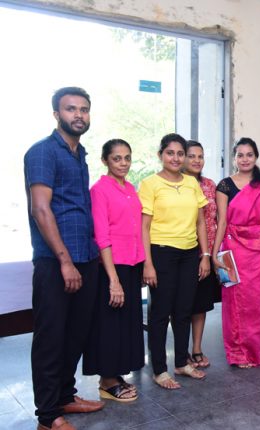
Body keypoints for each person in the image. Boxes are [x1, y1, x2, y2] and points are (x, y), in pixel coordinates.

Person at [24, 86, 104, 430]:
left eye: (84, 109)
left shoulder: (79, 154)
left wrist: (90, 255)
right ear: (57, 114)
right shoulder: (43, 152)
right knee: (51, 337)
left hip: (85, 256)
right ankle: (47, 416)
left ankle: (65, 396)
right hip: (56, 262)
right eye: (71, 109)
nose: (79, 115)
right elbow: (41, 209)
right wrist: (65, 261)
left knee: (76, 334)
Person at [139, 133, 210, 389]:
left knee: (183, 311)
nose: (176, 158)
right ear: (161, 155)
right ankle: (159, 369)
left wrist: (205, 255)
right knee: (160, 313)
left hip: (189, 253)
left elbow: (200, 222)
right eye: (170, 153)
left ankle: (181, 362)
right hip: (161, 253)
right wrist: (147, 263)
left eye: (180, 154)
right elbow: (144, 227)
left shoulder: (191, 183)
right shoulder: (150, 184)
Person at [83, 139, 144, 403]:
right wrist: (113, 280)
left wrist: (142, 263)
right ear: (105, 160)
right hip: (112, 266)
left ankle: (115, 375)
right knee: (108, 324)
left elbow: (135, 227)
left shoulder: (130, 188)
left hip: (131, 264)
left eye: (127, 158)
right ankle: (106, 381)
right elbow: (102, 235)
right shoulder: (99, 190)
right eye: (117, 158)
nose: (123, 163)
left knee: (125, 323)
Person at [212, 138, 260, 368]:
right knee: (236, 302)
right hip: (233, 248)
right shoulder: (225, 185)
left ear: (256, 157)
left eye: (249, 155)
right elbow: (222, 221)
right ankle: (239, 353)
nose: (245, 159)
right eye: (240, 155)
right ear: (234, 158)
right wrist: (215, 254)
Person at [183, 140, 220, 368]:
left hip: (207, 254)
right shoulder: (178, 184)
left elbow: (216, 219)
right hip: (184, 252)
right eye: (191, 156)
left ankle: (196, 348)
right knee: (182, 305)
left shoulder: (209, 185)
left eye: (200, 156)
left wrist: (212, 254)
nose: (197, 161)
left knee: (201, 304)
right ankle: (181, 351)